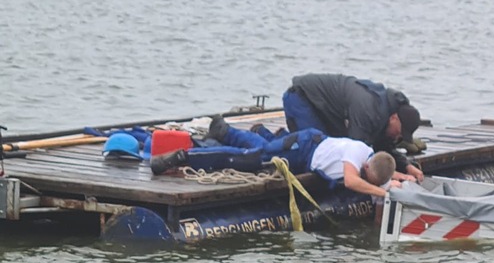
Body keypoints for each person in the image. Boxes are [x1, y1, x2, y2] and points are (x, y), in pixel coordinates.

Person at [150, 116, 413, 199]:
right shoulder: (357, 156)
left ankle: (246, 132)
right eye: (365, 174)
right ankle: (183, 157)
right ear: (365, 165)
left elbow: (379, 174)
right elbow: (352, 180)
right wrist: (384, 194)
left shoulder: (372, 159)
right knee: (250, 160)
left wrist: (401, 177)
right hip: (303, 148)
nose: (364, 178)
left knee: (263, 149)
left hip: (307, 148)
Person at [283, 73, 424, 182]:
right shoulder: (368, 110)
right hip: (301, 97)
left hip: (326, 110)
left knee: (328, 147)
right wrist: (393, 176)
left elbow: (383, 147)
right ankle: (267, 140)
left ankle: (281, 137)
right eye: (399, 133)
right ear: (394, 118)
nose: (397, 138)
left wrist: (407, 166)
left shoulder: (386, 113)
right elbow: (357, 153)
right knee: (312, 150)